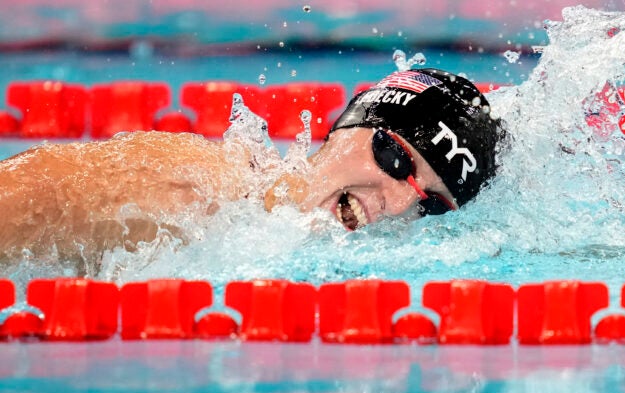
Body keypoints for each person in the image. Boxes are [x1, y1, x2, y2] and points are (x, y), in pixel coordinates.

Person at [0, 68, 503, 267]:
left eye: (432, 204)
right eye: (396, 158)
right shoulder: (196, 190)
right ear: (346, 128)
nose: (398, 203)